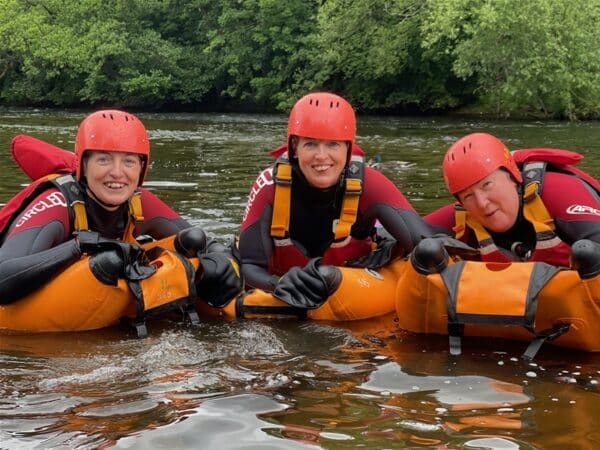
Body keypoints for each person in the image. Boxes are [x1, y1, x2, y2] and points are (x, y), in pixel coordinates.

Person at [0, 109, 241, 307]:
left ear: (141, 169)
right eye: (103, 159)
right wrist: (79, 247)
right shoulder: (56, 203)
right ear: (83, 164)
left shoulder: (138, 200)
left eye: (129, 161)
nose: (117, 173)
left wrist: (221, 258)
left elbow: (201, 239)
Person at [238, 92, 437, 308]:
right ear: (294, 147)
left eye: (333, 144)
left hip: (351, 289)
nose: (321, 156)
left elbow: (424, 243)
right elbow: (249, 265)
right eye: (310, 144)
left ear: (348, 149)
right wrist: (277, 284)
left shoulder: (370, 183)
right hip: (284, 285)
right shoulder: (269, 185)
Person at [424, 132, 600, 267]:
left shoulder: (560, 191)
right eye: (468, 196)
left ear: (513, 176)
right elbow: (412, 232)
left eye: (487, 185)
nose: (482, 203)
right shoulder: (465, 215)